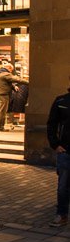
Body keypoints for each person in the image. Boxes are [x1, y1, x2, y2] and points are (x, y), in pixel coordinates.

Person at [46, 77, 70, 228]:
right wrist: (55, 144)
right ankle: (62, 215)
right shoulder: (61, 101)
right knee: (63, 186)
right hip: (66, 151)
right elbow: (51, 124)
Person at [0, 63, 28, 131]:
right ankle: (0, 127)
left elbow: (5, 82)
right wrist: (28, 82)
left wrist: (13, 87)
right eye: (11, 70)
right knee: (3, 111)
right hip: (3, 94)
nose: (11, 72)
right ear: (8, 68)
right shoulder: (6, 74)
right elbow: (17, 79)